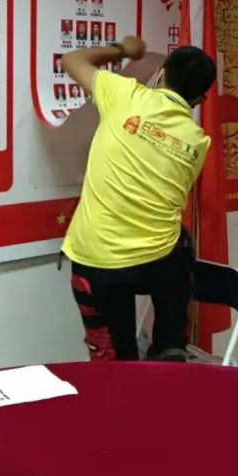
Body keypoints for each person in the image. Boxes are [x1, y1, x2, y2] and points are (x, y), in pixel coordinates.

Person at [60, 36, 216, 362]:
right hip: (156, 263)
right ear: (199, 100)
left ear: (160, 74)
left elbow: (72, 61)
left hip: (97, 261)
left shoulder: (126, 95)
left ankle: (121, 360)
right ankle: (169, 344)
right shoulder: (197, 142)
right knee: (181, 247)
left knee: (116, 362)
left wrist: (124, 51)